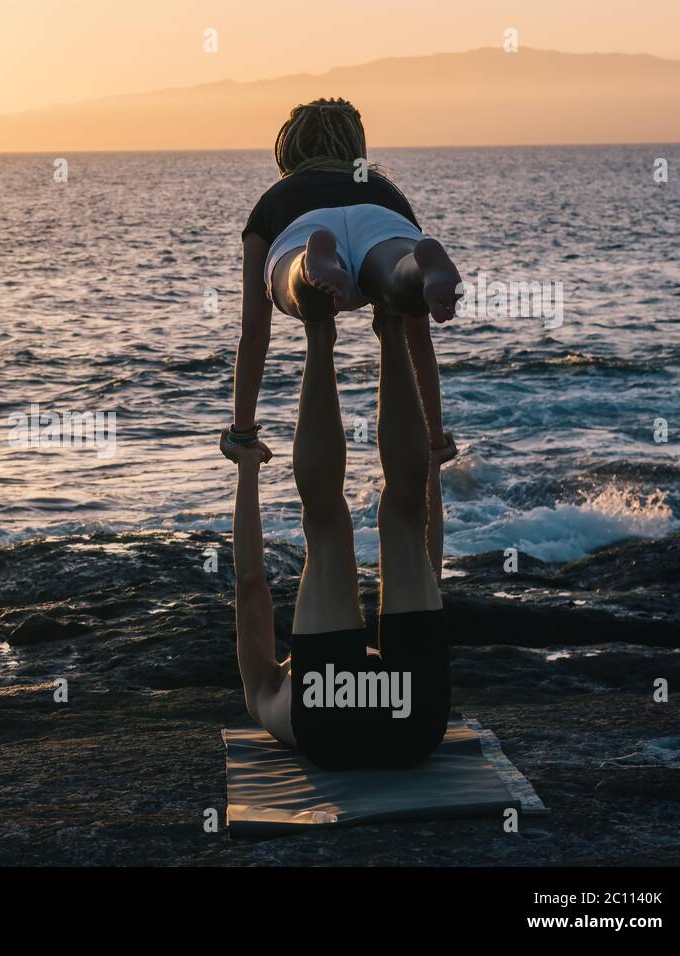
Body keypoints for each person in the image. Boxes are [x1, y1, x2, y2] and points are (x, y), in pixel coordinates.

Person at [221, 98, 460, 768]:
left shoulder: (278, 197)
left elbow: (253, 331)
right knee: (398, 297)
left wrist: (245, 441)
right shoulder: (382, 186)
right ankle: (411, 275)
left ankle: (314, 303)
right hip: (386, 222)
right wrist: (434, 439)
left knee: (374, 520)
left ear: (290, 151)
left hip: (414, 718)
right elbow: (424, 348)